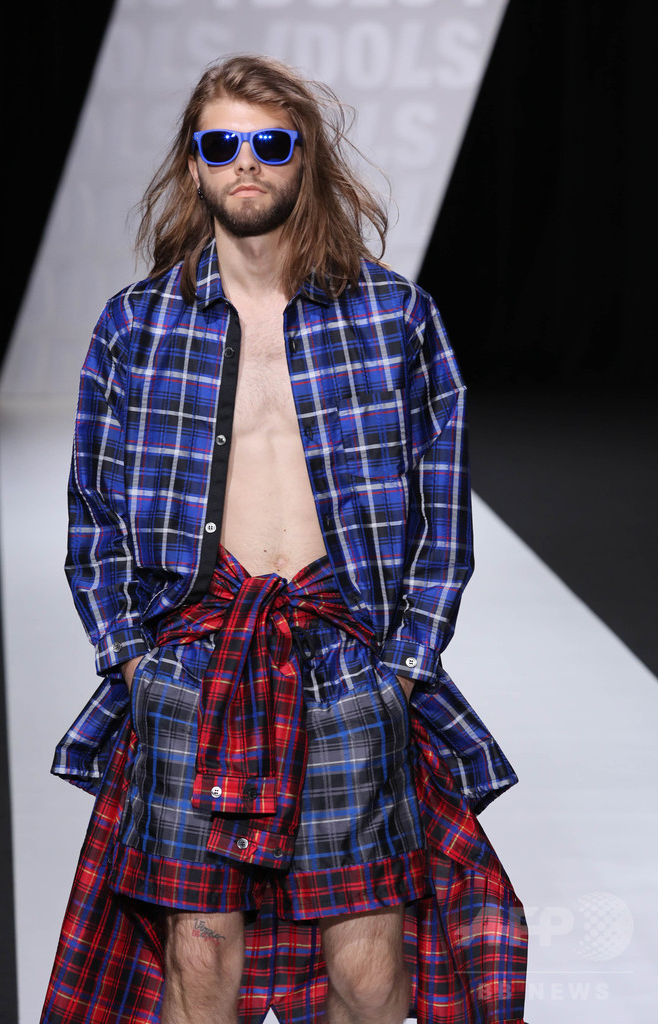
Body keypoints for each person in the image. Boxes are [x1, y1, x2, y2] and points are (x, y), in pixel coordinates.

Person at [42, 54, 528, 1024]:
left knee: (369, 967)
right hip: (194, 663)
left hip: (346, 662)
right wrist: (132, 659)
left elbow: (441, 514)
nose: (246, 162)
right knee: (198, 956)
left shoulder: (394, 318)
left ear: (305, 160)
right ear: (192, 164)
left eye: (271, 143)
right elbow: (92, 512)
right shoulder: (136, 327)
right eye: (221, 143)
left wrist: (405, 667)